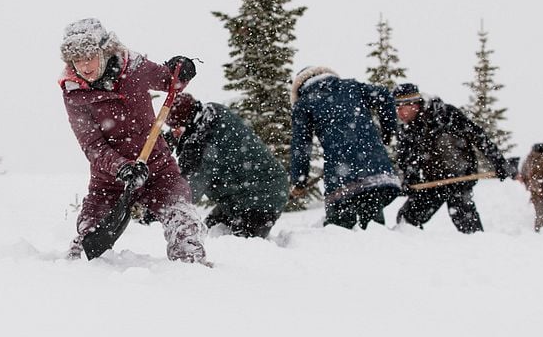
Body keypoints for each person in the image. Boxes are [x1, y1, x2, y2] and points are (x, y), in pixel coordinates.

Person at [59, 18, 209, 264]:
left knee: (184, 223)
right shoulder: (74, 92)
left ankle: (191, 272)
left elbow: (168, 81)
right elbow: (92, 146)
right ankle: (77, 279)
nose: (84, 66)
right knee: (87, 245)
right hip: (109, 180)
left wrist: (181, 71)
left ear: (104, 51)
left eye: (90, 57)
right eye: (77, 60)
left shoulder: (133, 67)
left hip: (158, 168)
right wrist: (122, 168)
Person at [289, 67, 401, 229]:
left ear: (299, 87)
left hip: (342, 178)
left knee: (338, 231)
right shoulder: (352, 87)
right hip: (375, 172)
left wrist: (299, 181)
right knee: (373, 228)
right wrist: (388, 132)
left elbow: (301, 147)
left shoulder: (304, 103)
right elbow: (384, 95)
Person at [392, 83, 514, 234]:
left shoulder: (445, 114)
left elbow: (478, 137)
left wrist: (500, 163)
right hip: (432, 182)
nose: (399, 112)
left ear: (414, 104)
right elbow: (406, 159)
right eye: (396, 108)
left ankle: (479, 245)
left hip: (459, 178)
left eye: (401, 107)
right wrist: (410, 180)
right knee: (407, 219)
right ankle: (415, 248)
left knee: (467, 222)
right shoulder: (406, 129)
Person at [164, 93, 289, 239]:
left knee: (239, 246)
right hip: (238, 197)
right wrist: (165, 144)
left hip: (263, 197)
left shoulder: (205, 143)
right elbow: (190, 138)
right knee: (208, 233)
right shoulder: (211, 114)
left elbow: (190, 190)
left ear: (187, 122)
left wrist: (158, 206)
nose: (174, 132)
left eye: (176, 127)